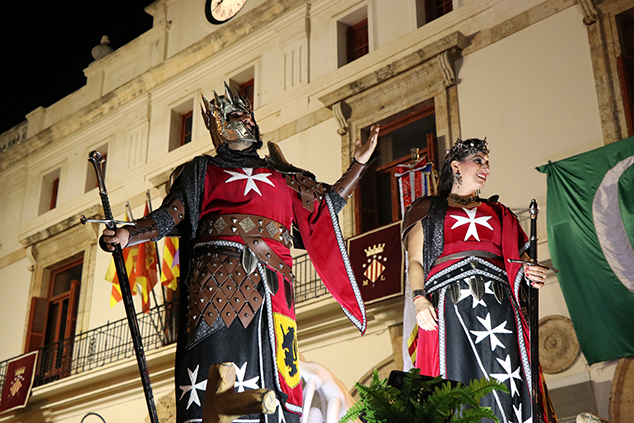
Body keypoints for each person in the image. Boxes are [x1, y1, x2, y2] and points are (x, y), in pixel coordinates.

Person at [101, 83, 379, 423]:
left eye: (248, 114)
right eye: (235, 114)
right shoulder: (202, 172)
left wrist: (359, 164)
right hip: (217, 284)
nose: (246, 120)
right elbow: (169, 216)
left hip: (273, 290)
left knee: (273, 377)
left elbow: (325, 207)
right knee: (213, 378)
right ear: (219, 125)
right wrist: (128, 235)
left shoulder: (283, 175)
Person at [401, 139, 549, 423]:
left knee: (506, 379)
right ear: (456, 167)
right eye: (479, 160)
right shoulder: (427, 208)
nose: (486, 168)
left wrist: (532, 272)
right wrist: (419, 299)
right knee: (456, 380)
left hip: (500, 308)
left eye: (487, 163)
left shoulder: (500, 212)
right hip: (449, 309)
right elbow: (416, 261)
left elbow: (521, 262)